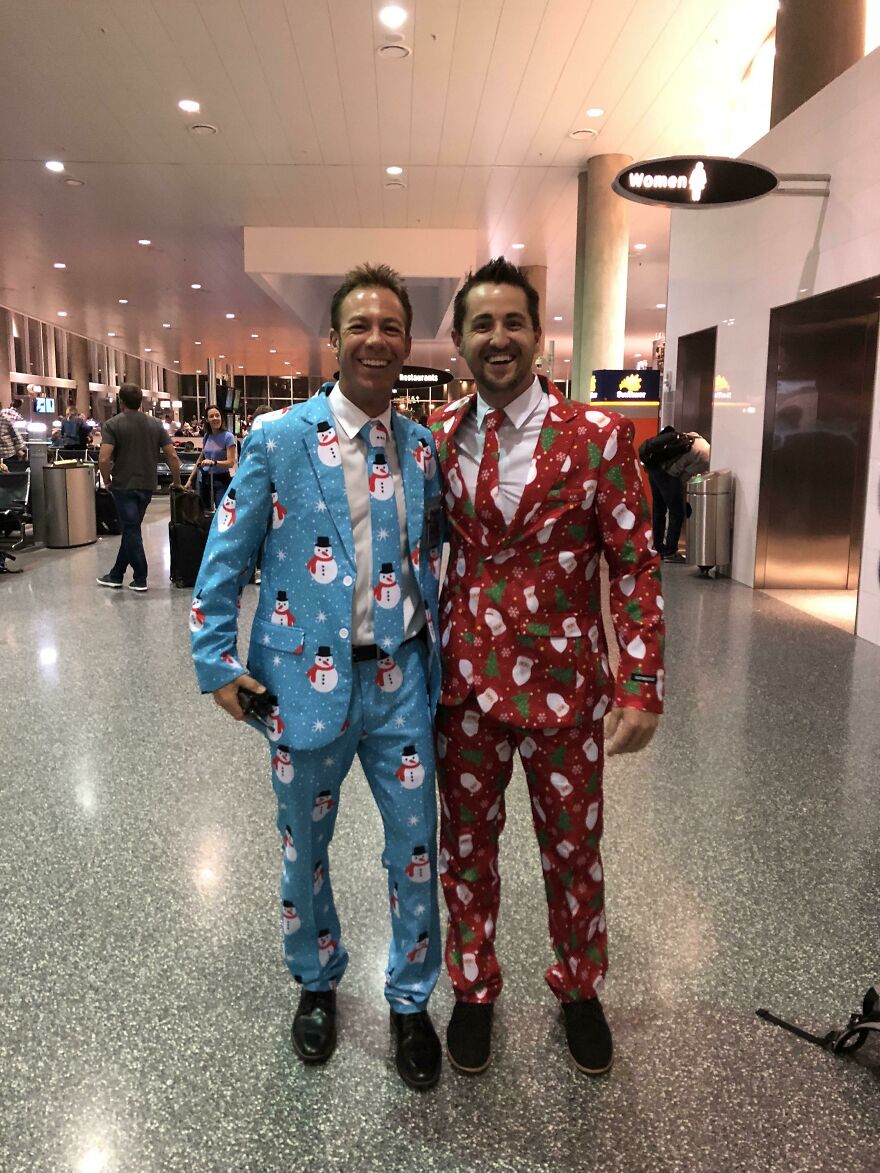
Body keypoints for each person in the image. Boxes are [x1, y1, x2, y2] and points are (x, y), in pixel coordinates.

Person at [190, 263, 446, 1090]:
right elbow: (224, 554)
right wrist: (216, 661)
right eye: (359, 326)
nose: (376, 339)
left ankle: (410, 999)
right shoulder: (276, 439)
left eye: (391, 327)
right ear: (333, 341)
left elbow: (433, 553)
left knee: (414, 847)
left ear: (407, 343)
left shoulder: (421, 446)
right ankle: (316, 980)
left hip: (401, 678)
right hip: (302, 684)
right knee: (305, 849)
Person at [427, 257, 665, 1078]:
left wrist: (641, 679)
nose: (498, 338)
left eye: (513, 323)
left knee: (573, 848)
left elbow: (634, 562)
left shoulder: (598, 439)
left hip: (566, 690)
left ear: (539, 335)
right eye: (481, 325)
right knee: (466, 846)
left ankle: (578, 987)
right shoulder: (438, 439)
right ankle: (473, 986)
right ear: (459, 340)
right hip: (462, 689)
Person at [97, 383, 181, 592]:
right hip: (147, 485)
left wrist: (107, 480)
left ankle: (141, 576)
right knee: (131, 528)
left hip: (123, 485)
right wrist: (177, 481)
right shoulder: (155, 424)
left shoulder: (112, 424)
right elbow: (172, 455)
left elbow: (104, 458)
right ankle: (116, 574)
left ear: (121, 401)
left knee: (131, 529)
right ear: (141, 401)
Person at [648, 429, 710, 563]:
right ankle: (670, 552)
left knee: (659, 510)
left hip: (654, 468)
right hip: (667, 474)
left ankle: (658, 548)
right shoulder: (706, 458)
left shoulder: (696, 437)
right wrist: (683, 501)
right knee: (677, 513)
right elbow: (682, 478)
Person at [185, 406, 236, 509]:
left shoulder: (228, 437)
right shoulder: (207, 436)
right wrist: (190, 480)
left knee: (221, 511)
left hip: (222, 480)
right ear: (207, 420)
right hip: (205, 479)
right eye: (211, 416)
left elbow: (231, 462)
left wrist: (214, 462)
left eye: (217, 415)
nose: (215, 418)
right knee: (204, 512)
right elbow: (201, 459)